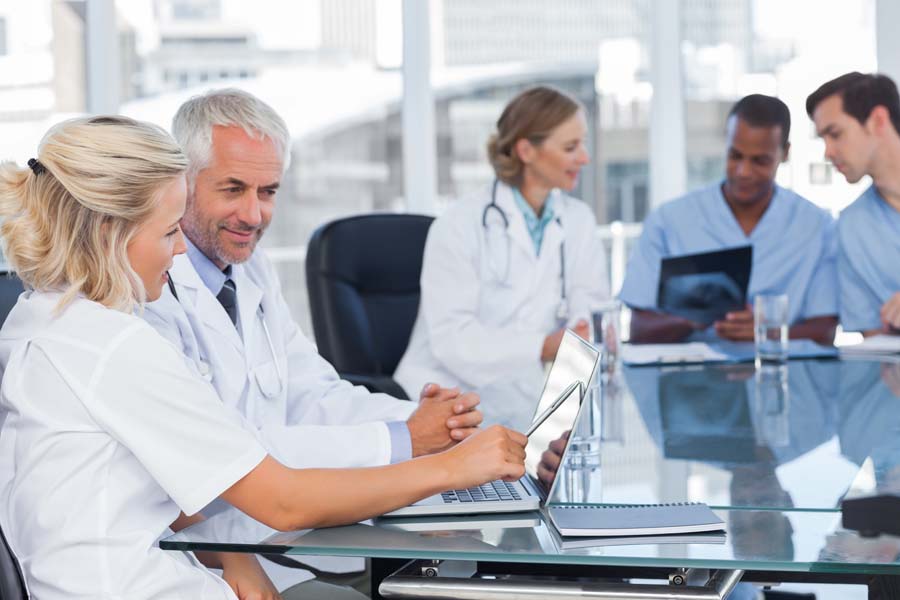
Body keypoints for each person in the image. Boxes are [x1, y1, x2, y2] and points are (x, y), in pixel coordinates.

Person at [0, 115, 527, 600]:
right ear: (108, 234)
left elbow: (147, 490)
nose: (180, 250)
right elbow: (283, 501)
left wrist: (226, 554)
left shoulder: (40, 318)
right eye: (167, 233)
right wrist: (451, 469)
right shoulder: (115, 345)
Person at [142, 89, 487, 594]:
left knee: (458, 572)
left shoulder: (251, 270)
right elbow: (236, 448)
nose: (254, 215)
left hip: (282, 534)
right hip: (216, 552)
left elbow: (315, 392)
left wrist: (424, 424)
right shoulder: (151, 290)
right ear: (183, 185)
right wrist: (408, 441)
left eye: (268, 191)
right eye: (233, 189)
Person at [394, 86, 610, 398]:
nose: (585, 158)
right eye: (570, 147)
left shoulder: (578, 220)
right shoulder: (458, 225)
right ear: (526, 151)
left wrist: (580, 330)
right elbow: (453, 339)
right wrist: (542, 346)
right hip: (446, 393)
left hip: (530, 394)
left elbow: (589, 305)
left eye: (583, 144)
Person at [619, 94, 838, 345]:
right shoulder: (669, 221)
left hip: (783, 377)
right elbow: (639, 330)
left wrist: (766, 331)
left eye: (760, 161)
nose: (743, 171)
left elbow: (825, 332)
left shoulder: (817, 227)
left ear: (785, 153)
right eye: (735, 156)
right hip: (691, 381)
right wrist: (694, 317)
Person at [806, 72, 900, 336]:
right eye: (823, 139)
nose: (827, 152)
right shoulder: (852, 227)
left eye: (835, 134)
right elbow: (874, 344)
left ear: (878, 120)